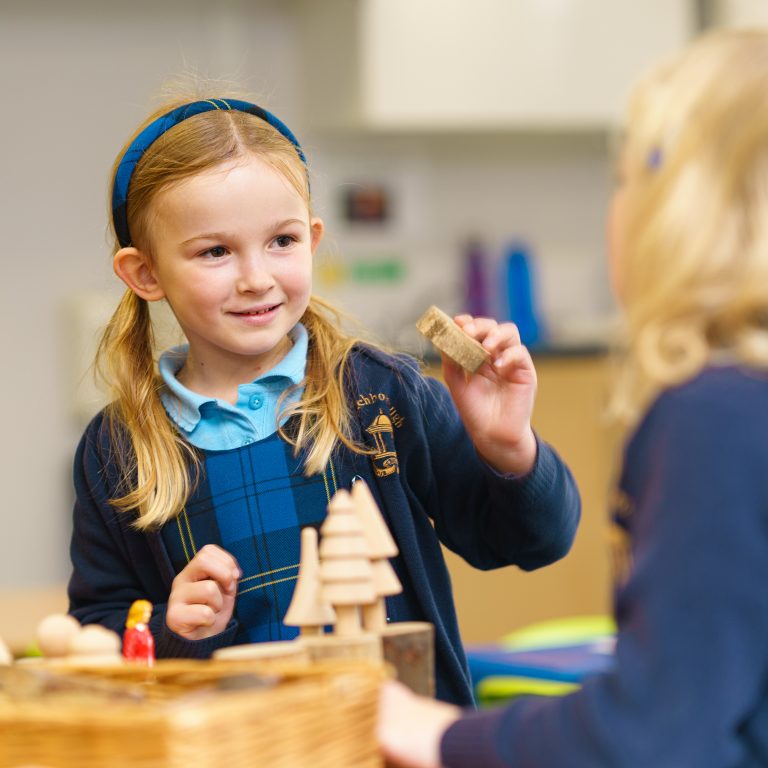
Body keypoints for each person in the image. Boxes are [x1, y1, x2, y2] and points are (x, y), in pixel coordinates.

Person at [67, 95, 580, 706]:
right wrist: (170, 629)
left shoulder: (385, 394)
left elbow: (532, 541)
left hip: (395, 742)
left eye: (281, 241)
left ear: (312, 240)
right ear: (145, 273)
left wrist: (509, 449)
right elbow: (99, 631)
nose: (256, 276)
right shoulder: (116, 449)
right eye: (215, 251)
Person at [377, 27, 768, 766]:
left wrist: (435, 735)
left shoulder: (718, 419)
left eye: (625, 180)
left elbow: (654, 732)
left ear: (678, 210)